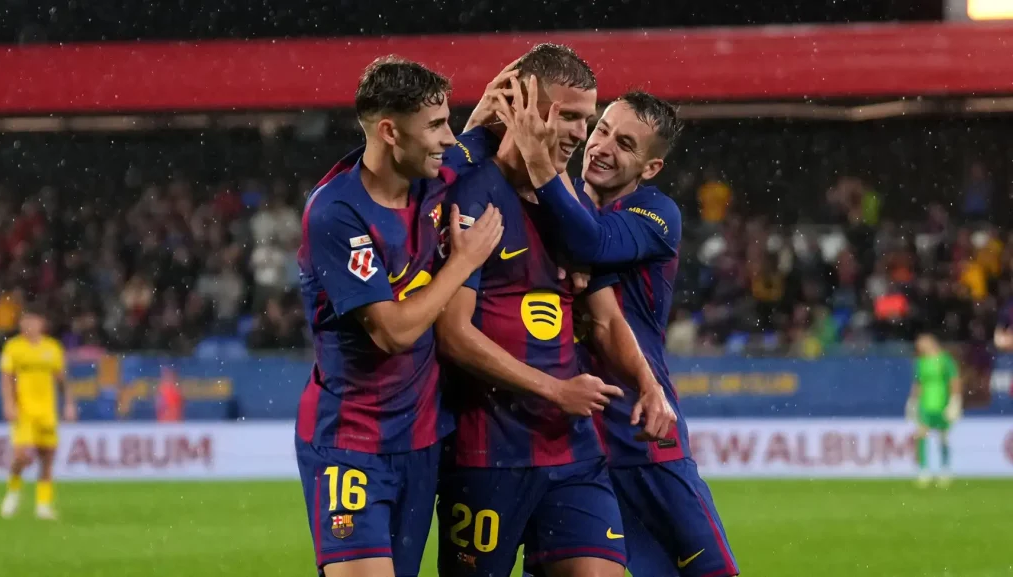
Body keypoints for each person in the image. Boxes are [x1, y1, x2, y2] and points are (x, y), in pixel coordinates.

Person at [433, 44, 675, 577]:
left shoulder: (574, 208)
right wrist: (556, 391)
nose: (580, 134)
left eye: (586, 120)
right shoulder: (472, 197)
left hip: (572, 452)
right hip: (488, 452)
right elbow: (452, 335)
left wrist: (648, 383)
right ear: (521, 108)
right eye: (566, 116)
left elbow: (607, 319)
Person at [497, 88, 739, 576]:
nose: (603, 147)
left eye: (625, 144)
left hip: (640, 434)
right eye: (602, 130)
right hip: (565, 441)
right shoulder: (554, 202)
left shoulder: (656, 214)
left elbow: (594, 241)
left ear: (650, 168)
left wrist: (541, 163)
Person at [293, 56, 505, 577]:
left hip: (421, 442)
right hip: (351, 443)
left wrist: (500, 99)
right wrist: (462, 263)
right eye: (435, 125)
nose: (448, 137)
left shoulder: (436, 174)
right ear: (390, 132)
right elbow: (393, 332)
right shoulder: (337, 213)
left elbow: (478, 134)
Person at [0, 305, 76, 520]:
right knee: (21, 456)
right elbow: (6, 378)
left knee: (47, 457)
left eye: (33, 321)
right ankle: (13, 492)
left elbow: (62, 379)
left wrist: (69, 404)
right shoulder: (14, 347)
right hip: (23, 410)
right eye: (26, 321)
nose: (29, 325)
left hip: (47, 411)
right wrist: (8, 404)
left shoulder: (52, 348)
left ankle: (43, 504)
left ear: (42, 323)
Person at [907, 333, 962, 488]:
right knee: (921, 434)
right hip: (925, 404)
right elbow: (918, 383)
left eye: (922, 343)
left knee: (943, 437)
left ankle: (945, 469)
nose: (920, 347)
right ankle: (924, 470)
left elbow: (954, 380)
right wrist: (912, 401)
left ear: (931, 342)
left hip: (942, 404)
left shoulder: (945, 360)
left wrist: (955, 400)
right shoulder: (920, 362)